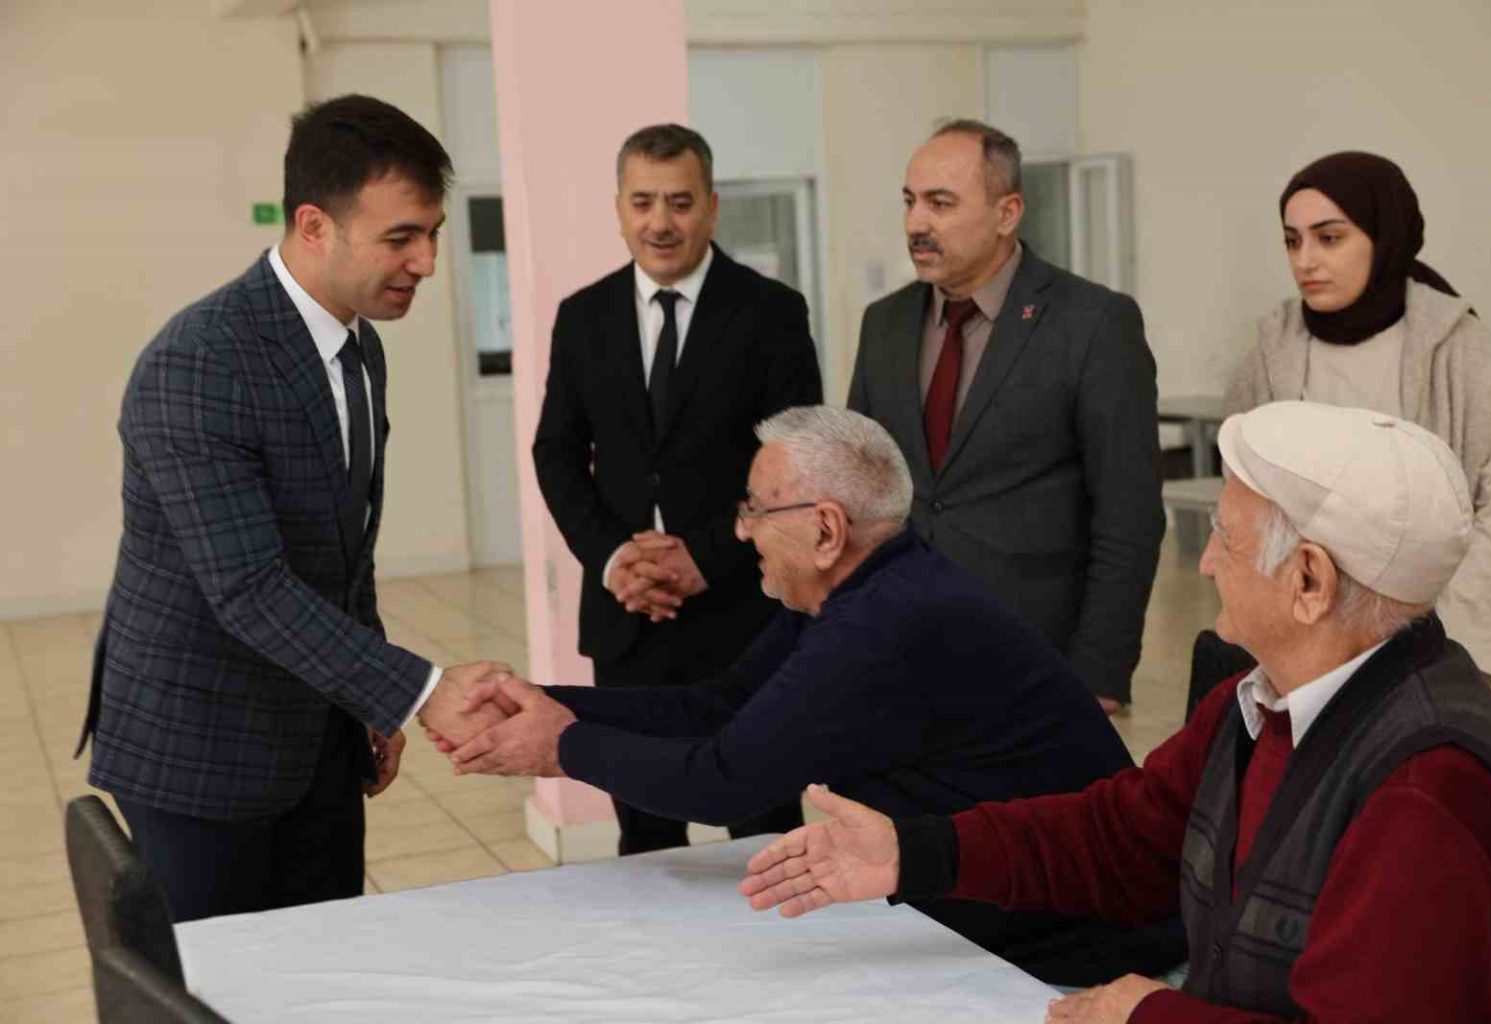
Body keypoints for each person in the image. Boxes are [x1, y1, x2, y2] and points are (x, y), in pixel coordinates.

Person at [741, 401, 1491, 1024]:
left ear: (1309, 582)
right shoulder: (1257, 703)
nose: (1206, 563)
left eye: (1224, 537)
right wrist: (911, 853)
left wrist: (1148, 1014)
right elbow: (1121, 840)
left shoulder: (1429, 790)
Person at [438, 406, 1181, 985]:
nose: (741, 531)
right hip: (983, 911)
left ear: (826, 529)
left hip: (1075, 942)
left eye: (755, 510)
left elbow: (723, 783)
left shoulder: (887, 623)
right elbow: (720, 707)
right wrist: (542, 702)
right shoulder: (867, 586)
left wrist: (561, 746)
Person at [78, 95, 510, 923]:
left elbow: (344, 552)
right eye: (401, 238)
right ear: (314, 225)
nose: (426, 262)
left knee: (325, 962)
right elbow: (248, 587)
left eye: (432, 234)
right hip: (200, 750)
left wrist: (368, 700)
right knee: (213, 981)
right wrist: (417, 690)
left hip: (317, 735)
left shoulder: (359, 347)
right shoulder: (199, 362)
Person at [531, 124, 821, 855]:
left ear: (712, 208)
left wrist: (705, 556)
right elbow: (556, 453)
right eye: (643, 202)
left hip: (745, 613)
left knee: (764, 835)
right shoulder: (583, 316)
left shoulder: (771, 312)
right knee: (646, 838)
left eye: (680, 202)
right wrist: (615, 560)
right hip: (629, 619)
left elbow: (797, 462)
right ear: (619, 209)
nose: (660, 222)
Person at [848, 119, 1163, 713]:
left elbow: (1130, 514)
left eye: (941, 203)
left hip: (1033, 660)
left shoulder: (1093, 323)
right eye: (910, 202)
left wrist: (1100, 671)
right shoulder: (883, 324)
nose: (916, 223)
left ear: (1007, 212)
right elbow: (861, 491)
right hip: (896, 650)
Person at [1228, 151, 1491, 717]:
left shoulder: (1462, 355)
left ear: (1384, 236)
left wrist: (1435, 647)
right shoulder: (1269, 359)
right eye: (1293, 241)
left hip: (1440, 643)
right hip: (1306, 642)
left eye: (1329, 238)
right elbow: (1244, 509)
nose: (1305, 260)